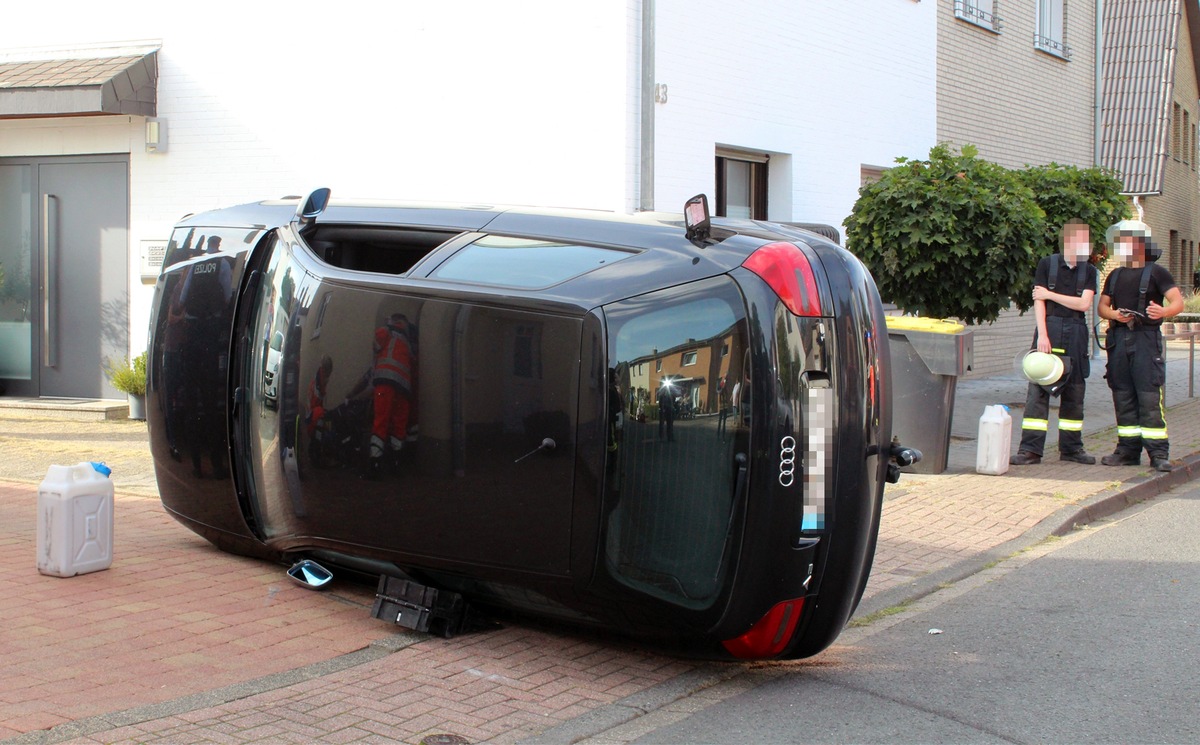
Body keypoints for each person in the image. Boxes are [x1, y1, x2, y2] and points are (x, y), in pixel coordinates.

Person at [1097, 219, 1184, 471]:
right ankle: (1127, 451)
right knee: (1122, 395)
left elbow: (1177, 303)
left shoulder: (1157, 272)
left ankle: (1158, 454)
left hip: (1146, 340)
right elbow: (1103, 307)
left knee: (1148, 396)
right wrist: (1114, 316)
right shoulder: (1114, 275)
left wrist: (1163, 312)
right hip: (1119, 340)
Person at [1010, 220, 1099, 465]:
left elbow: (1083, 304)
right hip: (1049, 329)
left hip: (1077, 333)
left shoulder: (1089, 271)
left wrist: (1050, 295)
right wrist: (1043, 335)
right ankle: (1030, 450)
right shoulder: (1047, 265)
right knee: (1038, 392)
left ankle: (1071, 449)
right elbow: (1039, 303)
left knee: (1075, 391)